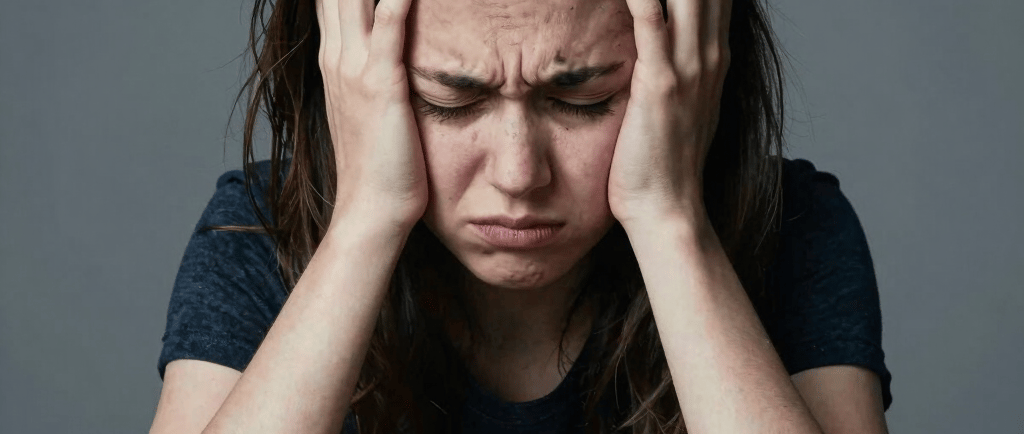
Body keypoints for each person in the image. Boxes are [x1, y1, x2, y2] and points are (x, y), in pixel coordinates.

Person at [149, 0, 893, 432]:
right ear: (351, 78)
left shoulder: (795, 228)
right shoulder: (261, 231)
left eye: (584, 100)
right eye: (449, 100)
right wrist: (365, 220)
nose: (518, 174)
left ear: (694, 72)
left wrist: (670, 220)